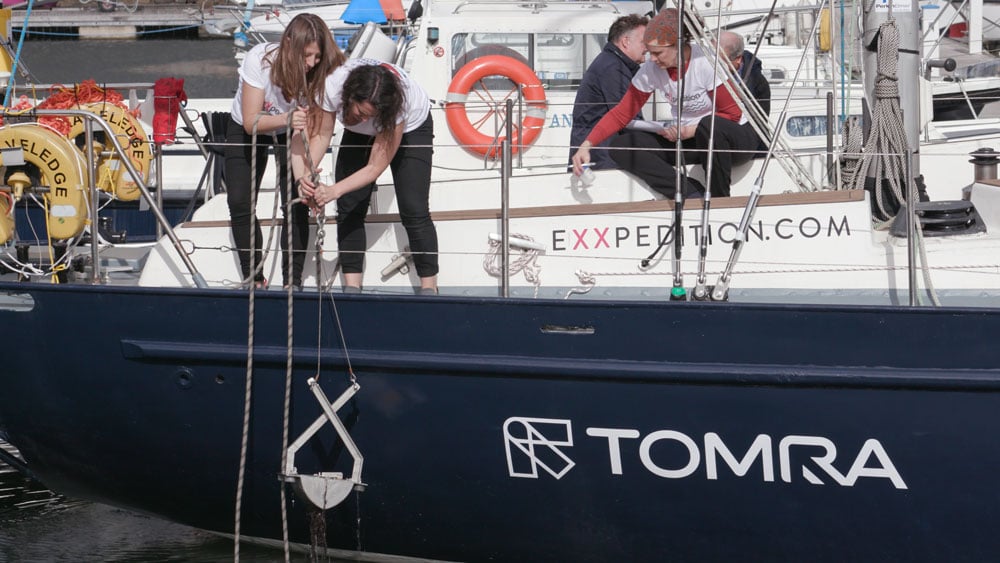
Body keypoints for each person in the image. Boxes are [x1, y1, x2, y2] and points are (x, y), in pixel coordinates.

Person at [571, 8, 758, 198]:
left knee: (709, 125)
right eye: (649, 52)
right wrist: (586, 145)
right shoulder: (651, 69)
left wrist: (690, 130)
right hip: (691, 140)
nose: (651, 59)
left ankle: (720, 199)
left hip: (732, 141)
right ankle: (690, 192)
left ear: (677, 45)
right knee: (624, 145)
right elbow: (621, 114)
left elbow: (732, 113)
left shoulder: (705, 61)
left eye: (658, 53)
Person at [223, 13, 345, 290]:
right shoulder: (260, 60)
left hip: (292, 131)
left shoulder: (320, 74)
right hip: (250, 125)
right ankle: (254, 279)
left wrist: (307, 172)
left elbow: (319, 131)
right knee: (240, 202)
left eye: (317, 56)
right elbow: (251, 122)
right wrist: (285, 119)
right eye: (307, 56)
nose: (311, 63)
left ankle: (293, 282)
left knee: (296, 201)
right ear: (289, 44)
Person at [297, 59, 438, 295]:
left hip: (413, 127)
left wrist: (332, 190)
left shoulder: (398, 106)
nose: (364, 120)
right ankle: (352, 287)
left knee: (414, 209)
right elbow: (322, 134)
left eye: (369, 117)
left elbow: (374, 168)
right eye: (360, 113)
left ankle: (429, 289)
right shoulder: (332, 85)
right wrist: (305, 174)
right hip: (358, 132)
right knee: (350, 206)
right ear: (349, 96)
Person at [568, 14, 649, 170]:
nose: (647, 47)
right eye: (643, 42)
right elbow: (627, 117)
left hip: (598, 151)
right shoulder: (613, 68)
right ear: (626, 41)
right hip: (603, 156)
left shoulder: (610, 62)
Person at [719, 30, 771, 153]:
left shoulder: (757, 82)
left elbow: (759, 123)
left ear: (738, 59)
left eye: (720, 61)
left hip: (748, 144)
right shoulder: (707, 74)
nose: (713, 64)